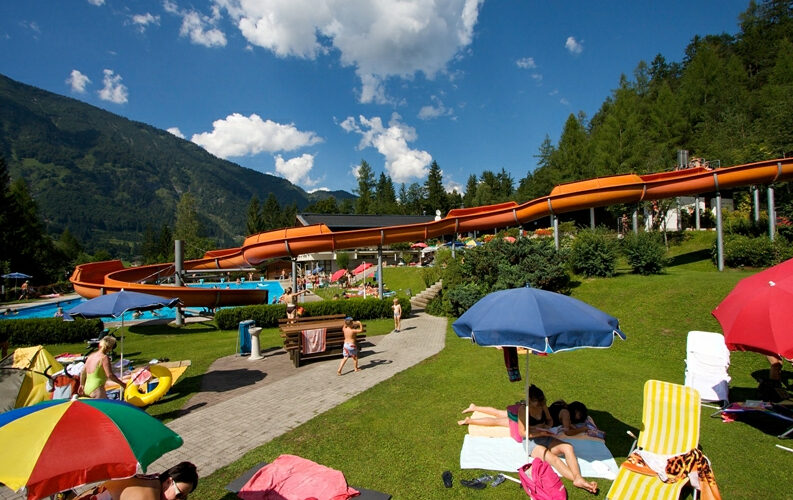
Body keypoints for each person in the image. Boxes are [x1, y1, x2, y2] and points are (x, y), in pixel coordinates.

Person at [457, 386, 598, 495]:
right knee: (554, 459)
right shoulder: (523, 411)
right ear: (529, 401)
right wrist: (538, 431)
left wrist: (547, 426)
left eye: (542, 403)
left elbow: (549, 420)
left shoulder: (543, 406)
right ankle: (578, 481)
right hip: (531, 442)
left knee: (568, 448)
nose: (540, 406)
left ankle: (578, 478)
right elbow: (523, 433)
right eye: (537, 404)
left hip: (545, 436)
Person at [74, 461, 198, 499]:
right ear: (169, 482)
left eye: (184, 498)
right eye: (179, 495)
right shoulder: (148, 494)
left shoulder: (153, 481)